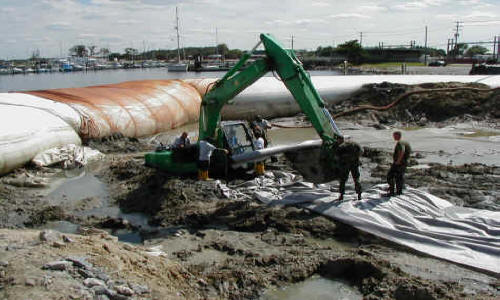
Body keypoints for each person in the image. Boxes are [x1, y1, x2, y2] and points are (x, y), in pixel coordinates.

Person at [335, 135, 363, 201]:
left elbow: (336, 157)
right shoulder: (354, 143)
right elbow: (361, 151)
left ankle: (341, 196)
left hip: (345, 165)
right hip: (355, 164)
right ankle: (359, 195)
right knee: (356, 179)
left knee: (343, 180)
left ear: (339, 140)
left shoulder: (341, 147)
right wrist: (356, 158)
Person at [385, 131, 411, 196]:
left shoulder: (400, 143)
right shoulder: (404, 142)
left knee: (390, 176)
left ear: (397, 136)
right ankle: (399, 192)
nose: (393, 137)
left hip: (400, 163)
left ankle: (392, 192)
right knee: (399, 177)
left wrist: (398, 161)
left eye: (394, 135)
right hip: (403, 163)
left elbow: (402, 151)